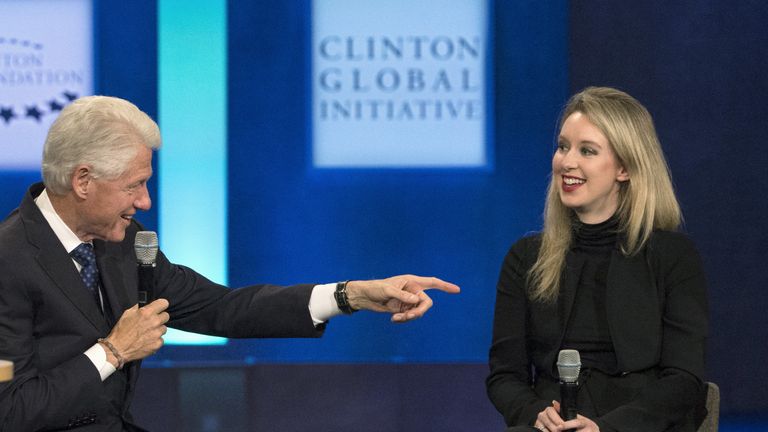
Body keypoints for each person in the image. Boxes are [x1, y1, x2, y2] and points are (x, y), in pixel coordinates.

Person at [0, 95, 460, 431]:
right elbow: (9, 411)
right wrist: (112, 352)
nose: (145, 201)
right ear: (83, 181)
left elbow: (223, 308)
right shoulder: (9, 259)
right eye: (133, 186)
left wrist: (351, 294)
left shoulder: (126, 243)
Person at [486, 87, 708, 432]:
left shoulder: (672, 257)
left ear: (625, 168)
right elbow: (504, 376)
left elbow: (684, 379)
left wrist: (607, 428)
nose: (566, 162)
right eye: (563, 147)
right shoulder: (525, 258)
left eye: (586, 151)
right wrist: (535, 414)